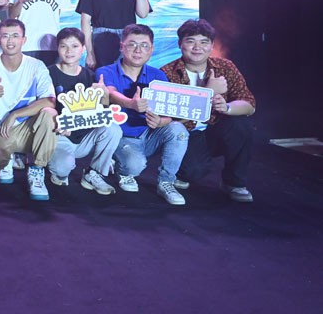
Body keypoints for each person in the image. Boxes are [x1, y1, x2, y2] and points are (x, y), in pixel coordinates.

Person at [160, 19, 257, 202]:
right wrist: (208, 92)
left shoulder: (225, 67)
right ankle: (180, 172)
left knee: (241, 124)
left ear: (212, 46)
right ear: (180, 44)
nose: (197, 47)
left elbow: (249, 103)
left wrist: (226, 108)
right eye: (190, 41)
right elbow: (166, 120)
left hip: (216, 128)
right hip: (187, 134)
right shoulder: (166, 73)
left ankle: (234, 183)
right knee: (192, 172)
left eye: (204, 42)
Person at [97, 24, 189, 205]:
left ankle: (166, 182)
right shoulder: (105, 71)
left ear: (152, 49)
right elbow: (111, 93)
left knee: (178, 129)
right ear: (121, 46)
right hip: (122, 136)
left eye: (144, 45)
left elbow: (170, 111)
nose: (138, 50)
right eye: (132, 44)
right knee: (135, 166)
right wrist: (130, 103)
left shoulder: (158, 75)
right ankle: (121, 169)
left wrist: (161, 121)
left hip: (149, 135)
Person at [0, 19, 59, 201]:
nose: (10, 41)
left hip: (29, 127)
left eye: (15, 36)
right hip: (1, 129)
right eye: (5, 36)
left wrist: (15, 114)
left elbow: (50, 100)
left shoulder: (36, 66)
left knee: (49, 115)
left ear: (24, 40)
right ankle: (8, 158)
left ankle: (37, 170)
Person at [46, 27, 121, 196]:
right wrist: (56, 121)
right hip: (60, 136)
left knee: (113, 129)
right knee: (62, 169)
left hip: (86, 137)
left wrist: (104, 95)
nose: (69, 51)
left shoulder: (91, 76)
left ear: (83, 48)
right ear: (58, 48)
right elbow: (42, 105)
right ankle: (58, 169)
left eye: (74, 46)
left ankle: (94, 173)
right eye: (64, 46)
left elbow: (103, 111)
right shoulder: (48, 73)